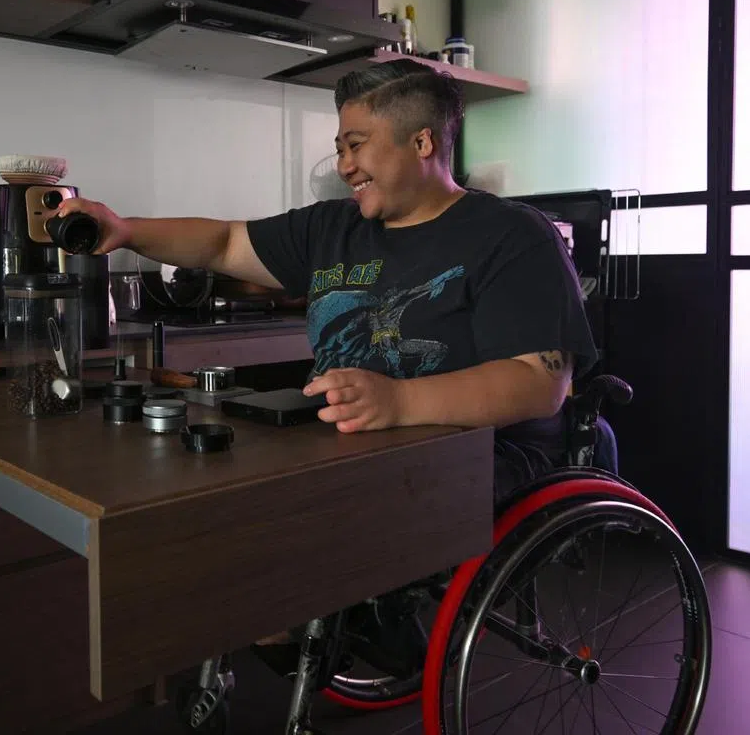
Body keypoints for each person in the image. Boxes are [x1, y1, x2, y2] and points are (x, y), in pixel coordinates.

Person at [55, 59, 599, 680]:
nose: (344, 165)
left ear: (422, 142)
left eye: (356, 144)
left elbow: (540, 381)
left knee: (297, 543)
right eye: (339, 147)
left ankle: (351, 621)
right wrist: (125, 230)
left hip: (484, 452)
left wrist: (399, 402)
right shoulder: (333, 229)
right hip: (359, 441)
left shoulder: (512, 236)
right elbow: (224, 243)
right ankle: (303, 627)